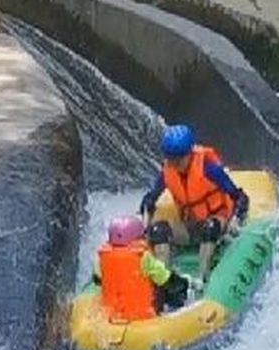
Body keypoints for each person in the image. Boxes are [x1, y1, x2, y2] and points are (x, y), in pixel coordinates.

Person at [141, 123, 247, 283]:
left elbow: (239, 197)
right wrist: (144, 221)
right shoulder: (167, 171)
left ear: (189, 153)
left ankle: (201, 280)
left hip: (217, 220)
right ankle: (165, 282)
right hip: (190, 224)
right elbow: (150, 198)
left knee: (209, 227)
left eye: (179, 159)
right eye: (171, 159)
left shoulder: (210, 169)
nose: (175, 164)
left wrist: (236, 219)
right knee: (158, 230)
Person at [94, 215, 190, 321]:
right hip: (141, 314)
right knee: (171, 285)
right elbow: (164, 278)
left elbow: (98, 279)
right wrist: (183, 283)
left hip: (113, 313)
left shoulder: (102, 258)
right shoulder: (142, 257)